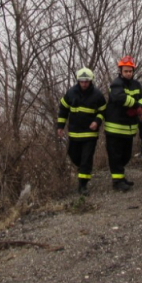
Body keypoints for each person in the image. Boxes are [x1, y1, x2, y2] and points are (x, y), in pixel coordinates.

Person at [57, 68, 107, 196]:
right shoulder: (71, 93)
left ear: (91, 81)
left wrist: (97, 121)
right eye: (82, 81)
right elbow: (63, 110)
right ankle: (83, 170)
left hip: (90, 134)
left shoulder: (97, 95)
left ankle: (83, 185)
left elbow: (103, 111)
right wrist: (60, 126)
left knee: (86, 158)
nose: (84, 84)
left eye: (86, 81)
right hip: (74, 133)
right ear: (78, 81)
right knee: (74, 156)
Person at [104, 56, 142, 192]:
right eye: (126, 71)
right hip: (115, 127)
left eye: (130, 71)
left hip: (129, 128)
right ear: (120, 71)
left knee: (126, 155)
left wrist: (140, 106)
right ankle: (117, 181)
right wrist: (135, 105)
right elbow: (119, 97)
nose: (128, 73)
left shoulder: (137, 85)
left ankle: (120, 177)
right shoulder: (116, 84)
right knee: (115, 155)